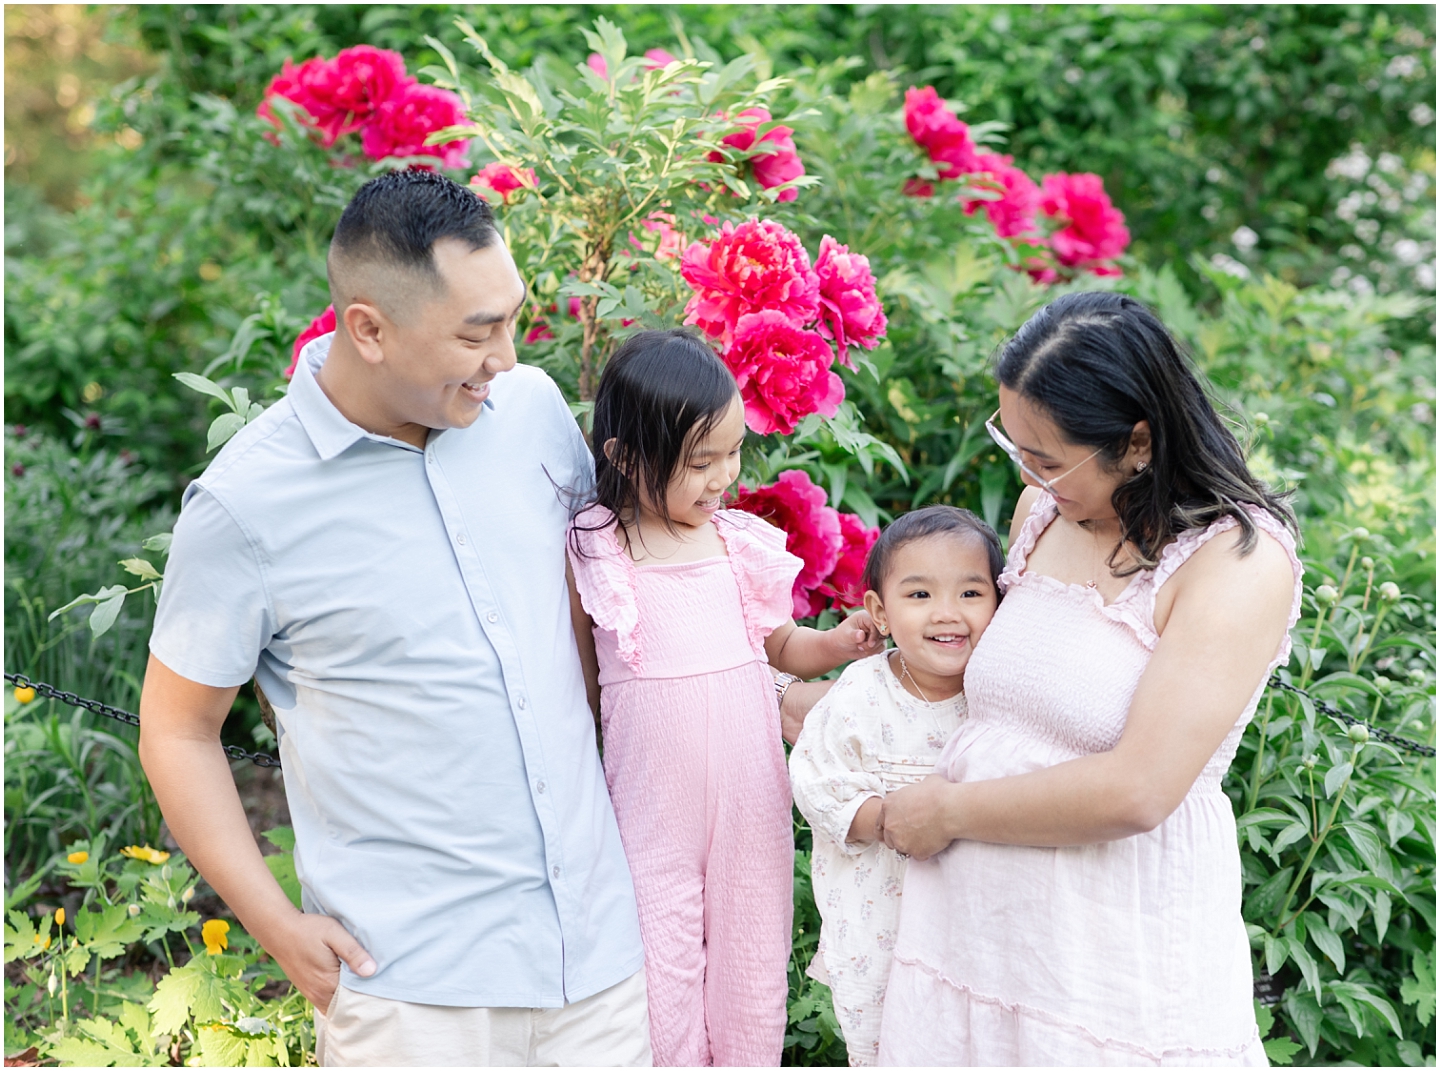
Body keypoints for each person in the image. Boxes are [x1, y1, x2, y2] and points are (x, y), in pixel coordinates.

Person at [138, 169, 652, 1067]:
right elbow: (177, 730)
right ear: (367, 328)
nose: (505, 355)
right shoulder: (244, 506)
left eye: (512, 317)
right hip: (414, 997)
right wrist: (273, 923)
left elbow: (590, 627)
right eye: (475, 332)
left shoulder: (529, 413)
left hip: (598, 968)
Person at [876, 291, 1303, 1066]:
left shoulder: (1235, 562)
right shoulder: (1043, 512)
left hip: (1106, 963)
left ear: (1137, 442)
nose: (1030, 475)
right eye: (1016, 449)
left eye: (1045, 457)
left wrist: (949, 811)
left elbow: (1138, 789)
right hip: (972, 944)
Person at [565, 329, 884, 1066]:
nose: (722, 477)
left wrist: (837, 643)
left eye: (733, 452)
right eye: (699, 461)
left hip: (751, 799)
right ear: (624, 458)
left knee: (752, 961)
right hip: (650, 810)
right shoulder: (599, 548)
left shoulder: (736, 544)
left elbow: (781, 647)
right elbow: (580, 683)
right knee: (658, 970)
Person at [790, 506, 1004, 1066]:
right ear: (880, 613)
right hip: (877, 912)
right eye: (919, 596)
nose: (947, 614)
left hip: (972, 919)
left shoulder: (996, 698)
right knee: (887, 1042)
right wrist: (885, 819)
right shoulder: (863, 691)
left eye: (970, 594)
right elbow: (818, 775)